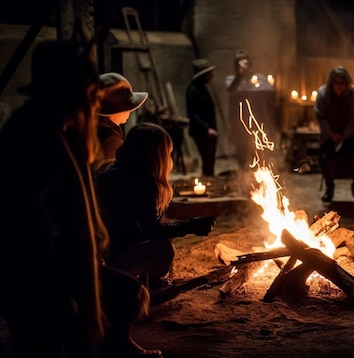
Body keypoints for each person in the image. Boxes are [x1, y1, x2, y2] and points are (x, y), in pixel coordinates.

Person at [0, 39, 161, 358]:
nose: (92, 105)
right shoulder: (35, 137)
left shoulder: (56, 130)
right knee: (48, 342)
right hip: (34, 273)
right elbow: (36, 225)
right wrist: (72, 289)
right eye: (88, 95)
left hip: (48, 266)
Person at [95, 122, 217, 291]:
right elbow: (153, 230)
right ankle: (148, 287)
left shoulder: (114, 170)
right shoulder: (140, 182)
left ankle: (144, 280)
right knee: (164, 249)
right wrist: (192, 225)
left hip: (103, 259)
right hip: (110, 265)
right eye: (167, 153)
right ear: (155, 154)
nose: (169, 159)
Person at [314, 66, 354, 204]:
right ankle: (329, 189)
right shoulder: (323, 93)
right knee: (326, 158)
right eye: (336, 83)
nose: (339, 86)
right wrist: (331, 133)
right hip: (329, 135)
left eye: (342, 83)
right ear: (331, 83)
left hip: (348, 136)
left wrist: (344, 135)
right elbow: (321, 116)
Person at [225, 50, 277, 172]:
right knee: (242, 150)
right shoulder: (232, 79)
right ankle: (245, 177)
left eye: (246, 63)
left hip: (258, 119)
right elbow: (231, 89)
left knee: (259, 149)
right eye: (240, 63)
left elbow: (269, 93)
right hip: (240, 121)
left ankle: (260, 177)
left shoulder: (259, 78)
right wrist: (239, 75)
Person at [95, 72, 148, 170]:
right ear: (117, 109)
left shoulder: (96, 133)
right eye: (128, 106)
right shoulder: (111, 142)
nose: (130, 111)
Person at [186, 59, 219, 177]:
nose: (211, 76)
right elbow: (193, 114)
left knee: (210, 160)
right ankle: (208, 181)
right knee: (207, 160)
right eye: (209, 73)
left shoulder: (203, 88)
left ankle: (209, 179)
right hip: (201, 133)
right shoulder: (193, 90)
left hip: (208, 132)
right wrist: (206, 129)